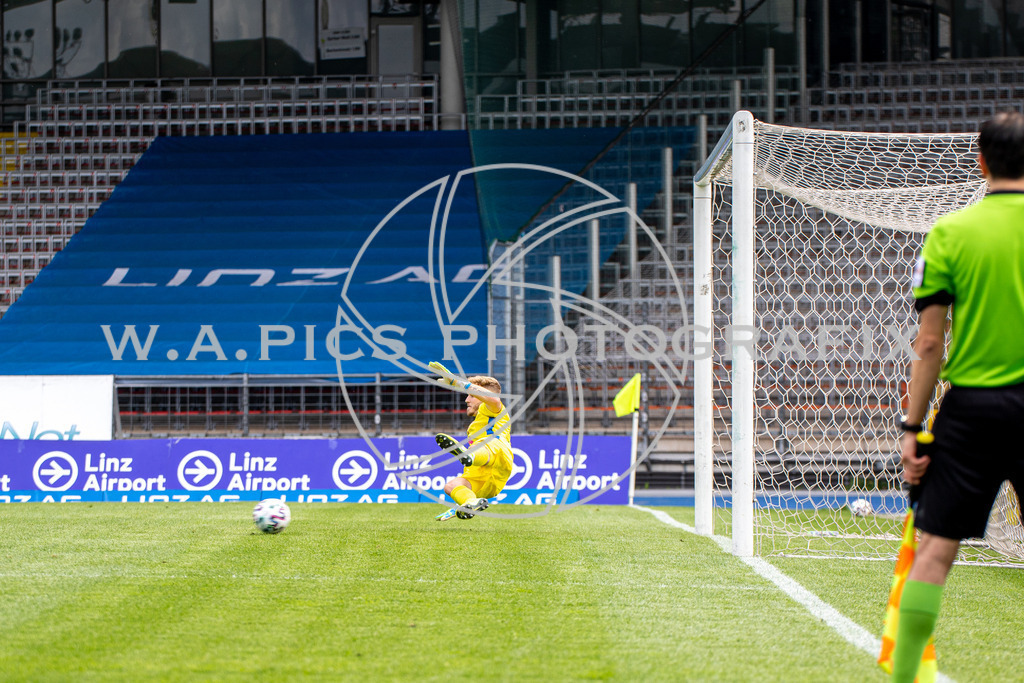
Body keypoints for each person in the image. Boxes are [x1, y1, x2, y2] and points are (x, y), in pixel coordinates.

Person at [894, 111, 1024, 681]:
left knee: (937, 549)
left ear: (980, 161)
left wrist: (912, 429)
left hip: (971, 410)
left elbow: (928, 345)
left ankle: (902, 673)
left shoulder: (949, 233)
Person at [427, 361, 514, 521]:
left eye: (472, 395)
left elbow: (493, 400)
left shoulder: (491, 408)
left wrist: (457, 382)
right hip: (488, 478)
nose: (467, 400)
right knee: (451, 486)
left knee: (486, 443)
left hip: (497, 454)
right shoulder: (476, 426)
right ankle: (470, 502)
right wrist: (460, 504)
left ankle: (469, 456)